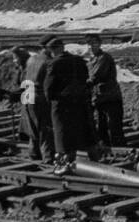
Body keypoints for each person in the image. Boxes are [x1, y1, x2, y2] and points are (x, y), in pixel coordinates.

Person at [42, 37, 97, 175]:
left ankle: (63, 163)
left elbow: (48, 87)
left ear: (53, 50)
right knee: (80, 129)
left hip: (61, 103)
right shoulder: (78, 60)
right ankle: (89, 160)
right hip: (79, 101)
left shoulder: (54, 63)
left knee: (61, 132)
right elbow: (85, 78)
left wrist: (50, 101)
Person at [86, 34, 125, 147]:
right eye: (89, 44)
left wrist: (82, 85)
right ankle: (106, 149)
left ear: (99, 44)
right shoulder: (90, 61)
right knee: (102, 126)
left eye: (94, 43)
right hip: (98, 98)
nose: (92, 46)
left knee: (113, 126)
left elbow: (95, 76)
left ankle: (119, 149)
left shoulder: (104, 58)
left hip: (110, 97)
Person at [21, 38, 55, 164]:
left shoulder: (31, 59)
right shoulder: (49, 61)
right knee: (45, 129)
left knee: (33, 128)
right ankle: (48, 158)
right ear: (47, 47)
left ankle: (34, 154)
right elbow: (50, 83)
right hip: (40, 97)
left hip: (28, 95)